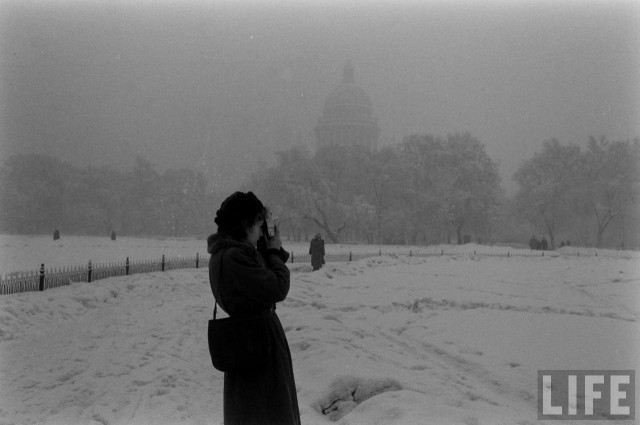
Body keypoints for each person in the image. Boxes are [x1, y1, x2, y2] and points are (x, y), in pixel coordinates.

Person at [207, 191, 301, 425]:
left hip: (251, 343)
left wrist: (270, 248)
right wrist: (271, 252)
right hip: (257, 345)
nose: (261, 231)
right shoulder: (234, 257)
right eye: (259, 225)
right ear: (245, 225)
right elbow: (278, 287)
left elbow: (263, 276)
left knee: (255, 410)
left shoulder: (229, 252)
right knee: (268, 411)